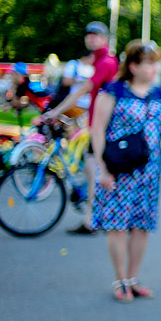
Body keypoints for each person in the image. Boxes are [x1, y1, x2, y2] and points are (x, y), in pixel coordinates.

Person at [90, 40, 161, 302]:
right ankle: (120, 279)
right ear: (133, 66)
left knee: (141, 225)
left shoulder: (159, 94)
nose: (154, 68)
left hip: (149, 171)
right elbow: (97, 130)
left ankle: (133, 279)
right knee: (118, 226)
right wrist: (103, 168)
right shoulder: (113, 92)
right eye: (149, 62)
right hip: (119, 169)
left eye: (155, 62)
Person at [44, 22, 119, 234]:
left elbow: (82, 91)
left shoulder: (106, 61)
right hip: (97, 124)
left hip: (104, 127)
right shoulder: (99, 61)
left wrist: (55, 112)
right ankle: (94, 219)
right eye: (88, 35)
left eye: (96, 35)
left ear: (104, 39)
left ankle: (94, 221)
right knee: (92, 171)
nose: (91, 38)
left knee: (95, 172)